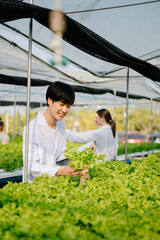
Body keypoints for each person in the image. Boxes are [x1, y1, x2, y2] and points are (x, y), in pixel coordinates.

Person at [23, 81, 88, 183]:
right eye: (61, 104)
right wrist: (60, 171)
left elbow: (59, 159)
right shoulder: (31, 128)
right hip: (36, 187)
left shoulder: (61, 126)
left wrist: (76, 164)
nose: (65, 110)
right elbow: (30, 167)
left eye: (68, 106)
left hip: (56, 186)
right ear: (50, 100)